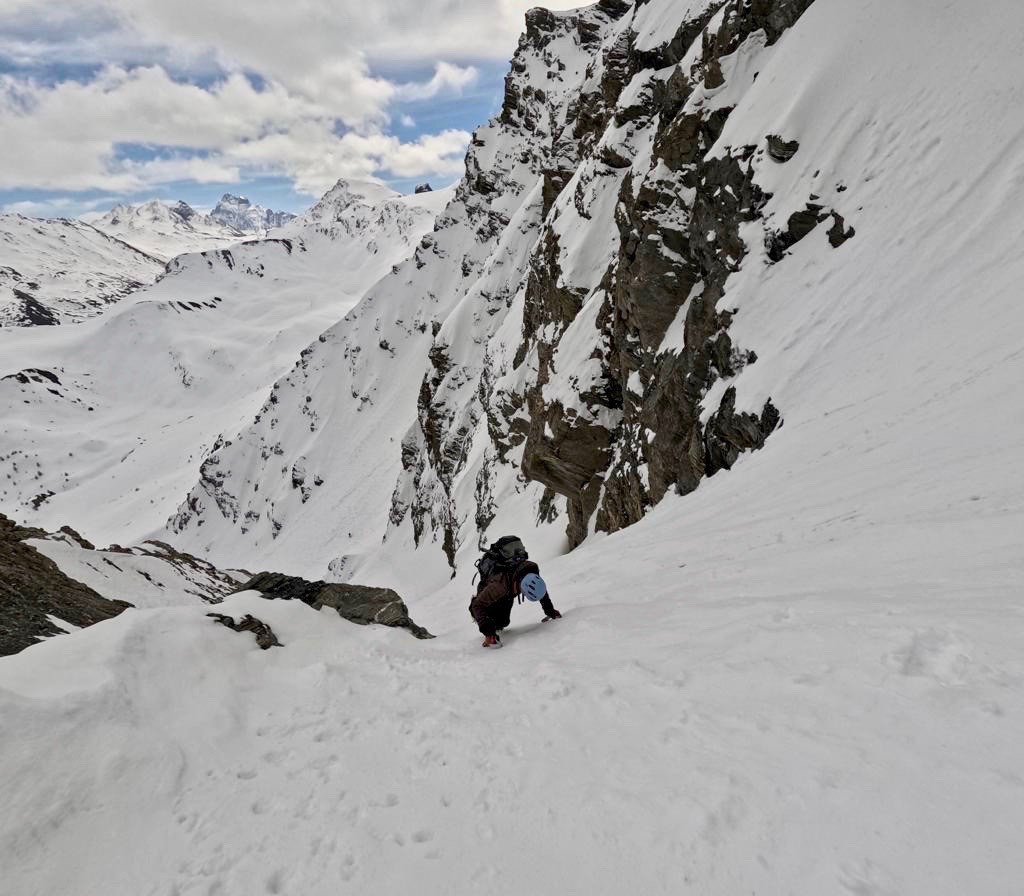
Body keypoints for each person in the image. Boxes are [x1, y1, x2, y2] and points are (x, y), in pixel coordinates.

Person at [469, 539, 561, 648]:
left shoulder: (532, 569)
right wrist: (489, 633)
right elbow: (477, 606)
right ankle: (486, 621)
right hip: (488, 590)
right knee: (496, 622)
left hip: (508, 590)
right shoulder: (499, 586)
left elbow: (540, 589)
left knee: (504, 622)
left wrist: (550, 610)